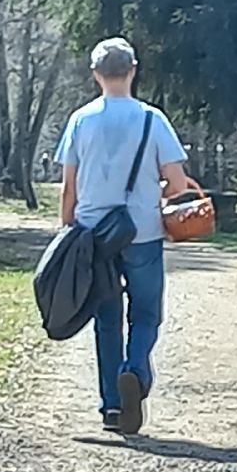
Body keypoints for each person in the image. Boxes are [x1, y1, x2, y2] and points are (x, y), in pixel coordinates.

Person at [55, 37, 189, 435]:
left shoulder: (81, 120)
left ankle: (112, 406)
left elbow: (68, 187)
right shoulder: (153, 119)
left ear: (96, 74)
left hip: (94, 236)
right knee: (146, 314)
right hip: (143, 232)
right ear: (133, 71)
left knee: (106, 319)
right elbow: (178, 183)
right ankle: (135, 371)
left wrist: (67, 232)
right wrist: (153, 194)